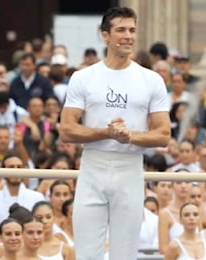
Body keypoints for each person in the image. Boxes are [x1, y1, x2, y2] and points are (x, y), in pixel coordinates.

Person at [59, 6, 171, 260]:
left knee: (125, 254)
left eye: (132, 30)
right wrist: (107, 133)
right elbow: (66, 130)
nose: (128, 36)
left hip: (130, 167)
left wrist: (129, 136)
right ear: (105, 35)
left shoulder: (151, 80)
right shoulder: (83, 77)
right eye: (120, 29)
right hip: (92, 166)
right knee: (87, 253)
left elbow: (163, 134)